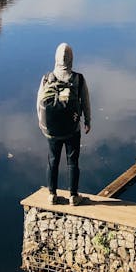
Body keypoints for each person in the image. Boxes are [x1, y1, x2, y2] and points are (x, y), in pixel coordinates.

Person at [36, 43, 91, 206]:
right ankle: (74, 196)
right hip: (72, 129)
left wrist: (42, 123)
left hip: (52, 130)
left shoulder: (47, 78)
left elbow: (39, 102)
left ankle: (52, 194)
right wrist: (88, 121)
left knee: (53, 160)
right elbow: (86, 102)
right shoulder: (78, 79)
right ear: (71, 59)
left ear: (56, 59)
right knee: (73, 161)